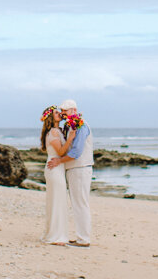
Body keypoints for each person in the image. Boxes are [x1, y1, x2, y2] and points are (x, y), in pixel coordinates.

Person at [46, 99, 93, 247]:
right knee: (77, 203)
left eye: (65, 111)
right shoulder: (70, 126)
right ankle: (81, 237)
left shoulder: (81, 126)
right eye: (61, 111)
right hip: (73, 169)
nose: (63, 114)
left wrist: (59, 161)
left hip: (80, 168)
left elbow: (76, 152)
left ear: (73, 110)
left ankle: (84, 239)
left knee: (80, 204)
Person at [39, 105, 74, 245]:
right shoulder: (53, 132)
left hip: (58, 168)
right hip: (54, 169)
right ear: (50, 117)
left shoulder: (57, 130)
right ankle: (56, 236)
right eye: (55, 113)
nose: (59, 113)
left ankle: (56, 233)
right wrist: (71, 138)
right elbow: (60, 152)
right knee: (57, 201)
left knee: (58, 200)